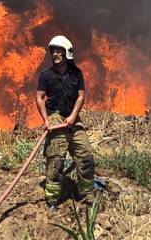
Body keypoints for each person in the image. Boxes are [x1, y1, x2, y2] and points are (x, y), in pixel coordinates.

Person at [35, 35, 97, 208]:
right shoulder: (46, 75)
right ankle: (53, 199)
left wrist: (73, 116)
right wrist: (46, 120)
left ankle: (86, 194)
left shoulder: (77, 74)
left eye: (58, 51)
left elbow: (81, 95)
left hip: (74, 120)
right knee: (56, 160)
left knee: (86, 157)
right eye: (53, 51)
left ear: (67, 53)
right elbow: (39, 97)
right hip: (55, 118)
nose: (55, 54)